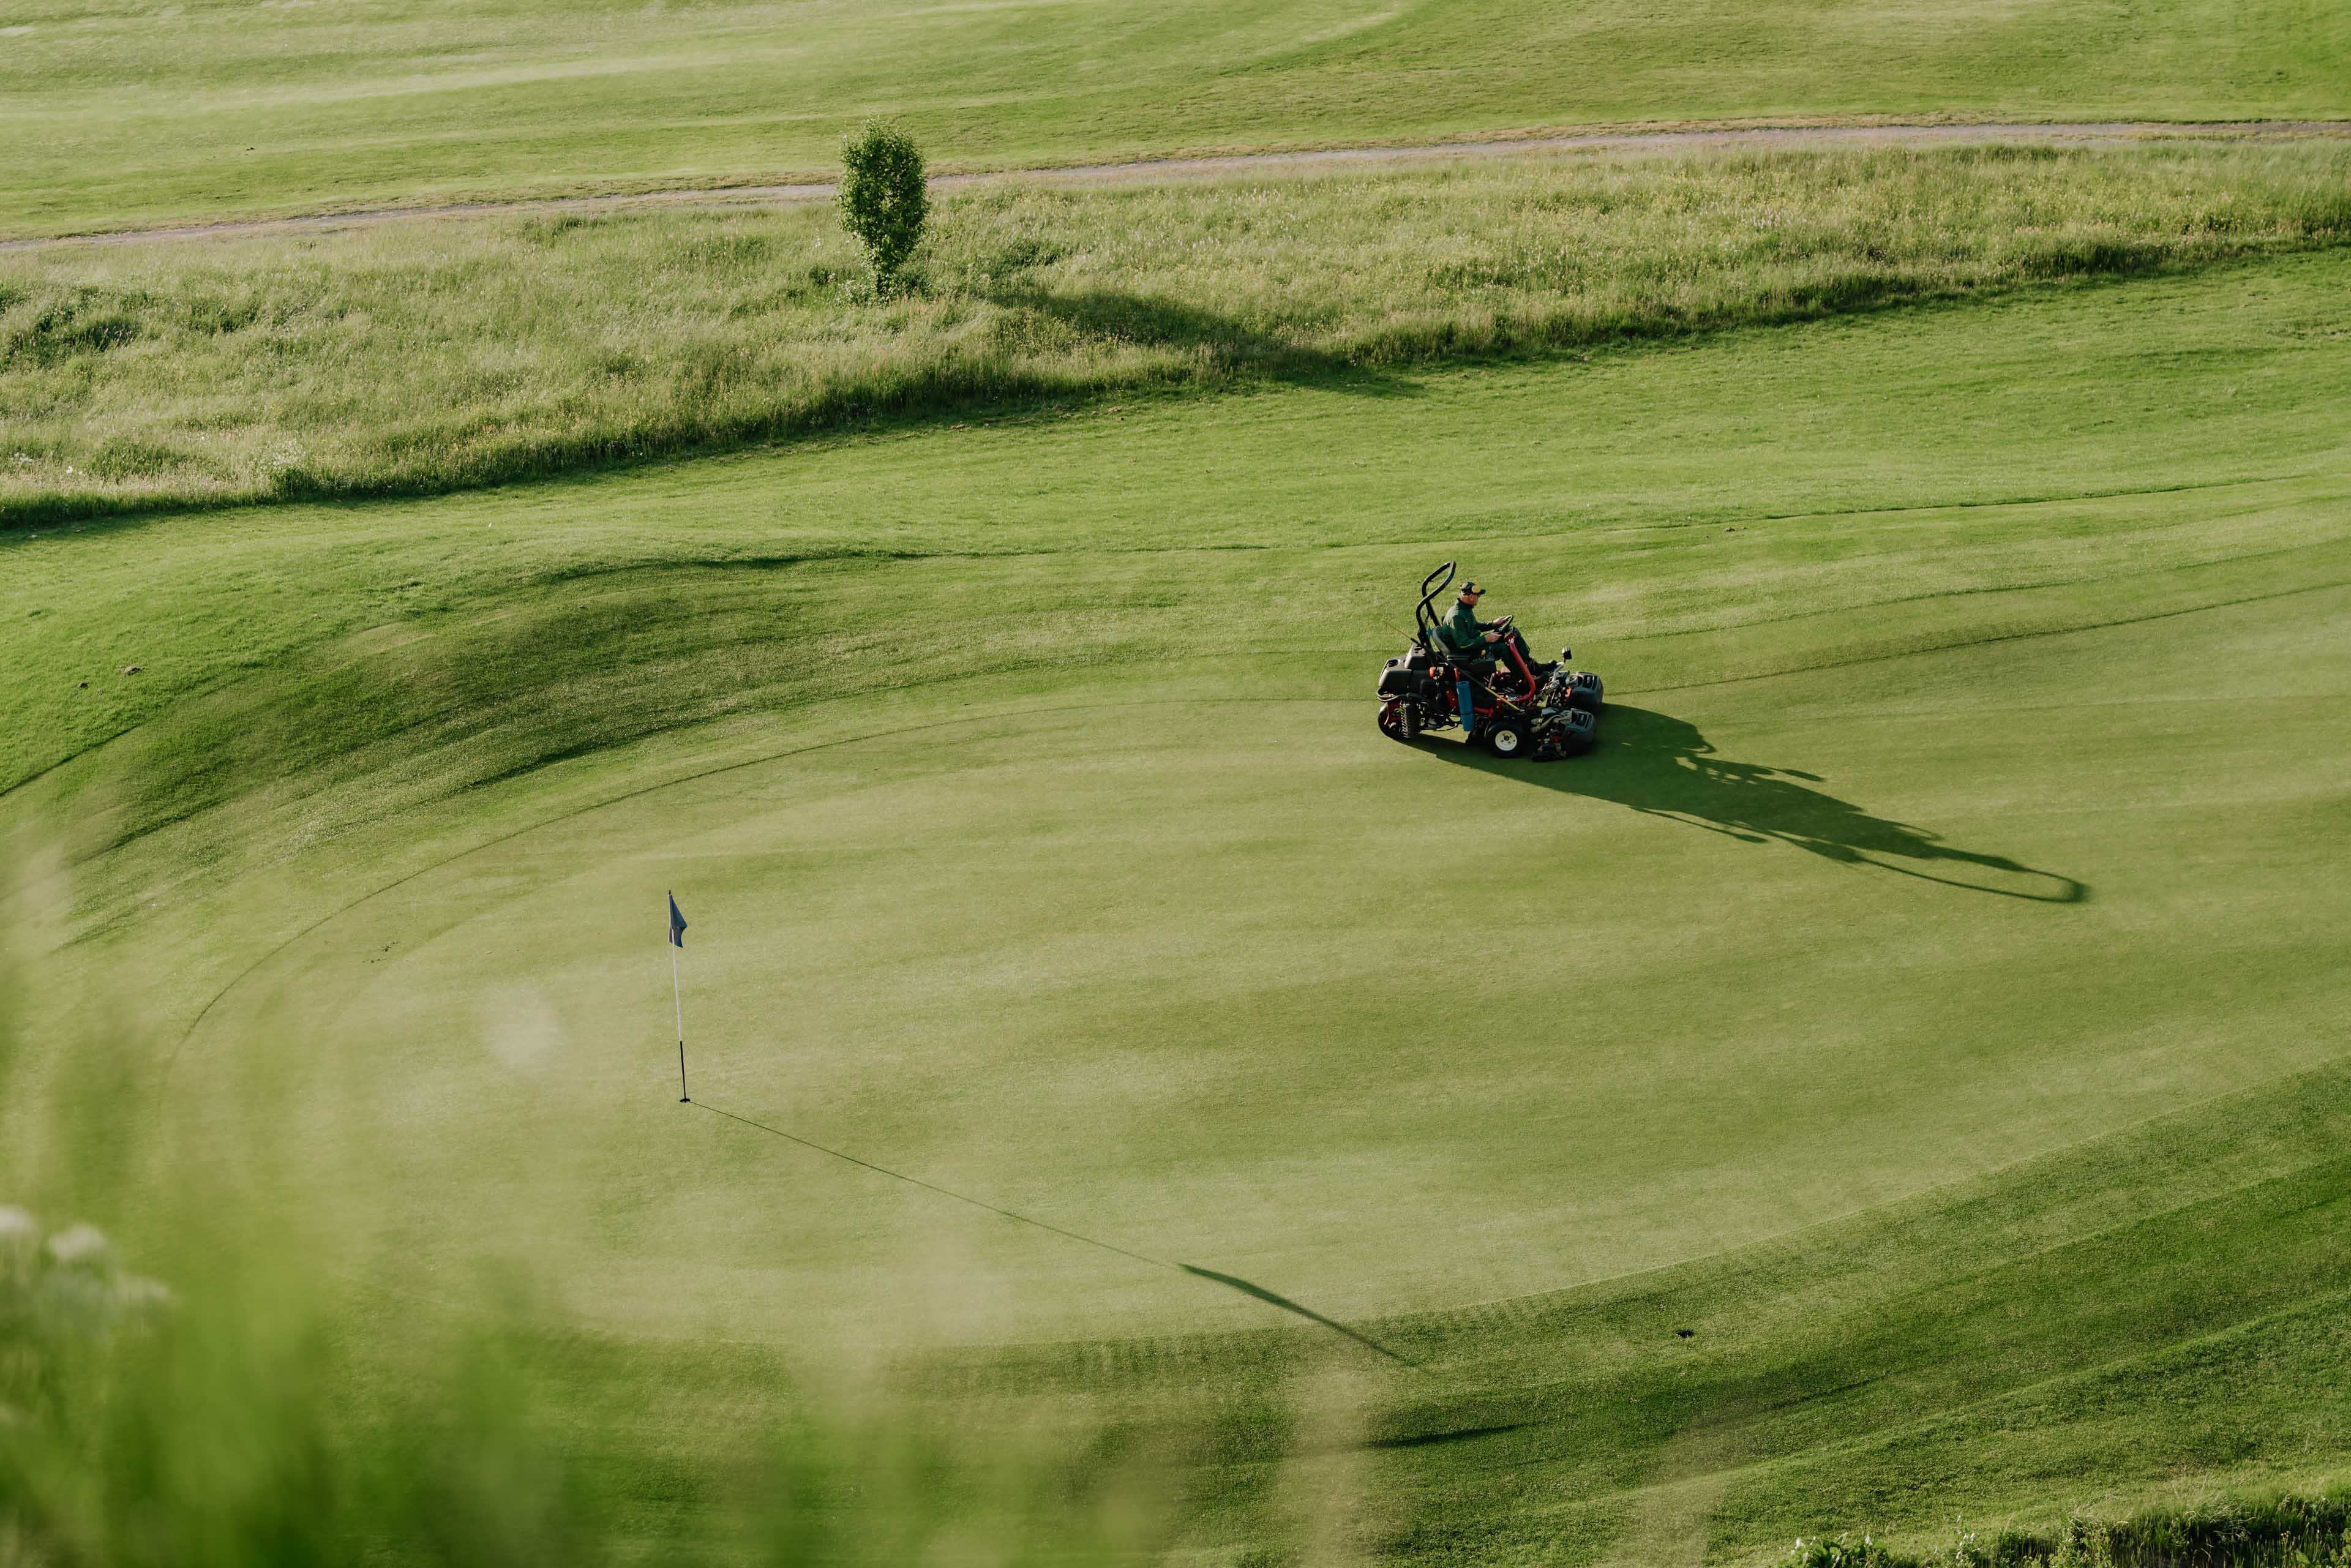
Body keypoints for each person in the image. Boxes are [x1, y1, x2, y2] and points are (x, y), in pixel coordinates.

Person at [1431, 580, 1506, 741]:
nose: (1479, 598)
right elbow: (1463, 644)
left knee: (1508, 637)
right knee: (1503, 648)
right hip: (1464, 656)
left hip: (1469, 649)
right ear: (1470, 596)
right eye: (1477, 596)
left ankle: (1529, 667)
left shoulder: (1466, 610)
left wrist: (1492, 624)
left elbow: (1473, 627)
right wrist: (1486, 639)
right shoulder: (1457, 615)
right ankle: (1527, 677)